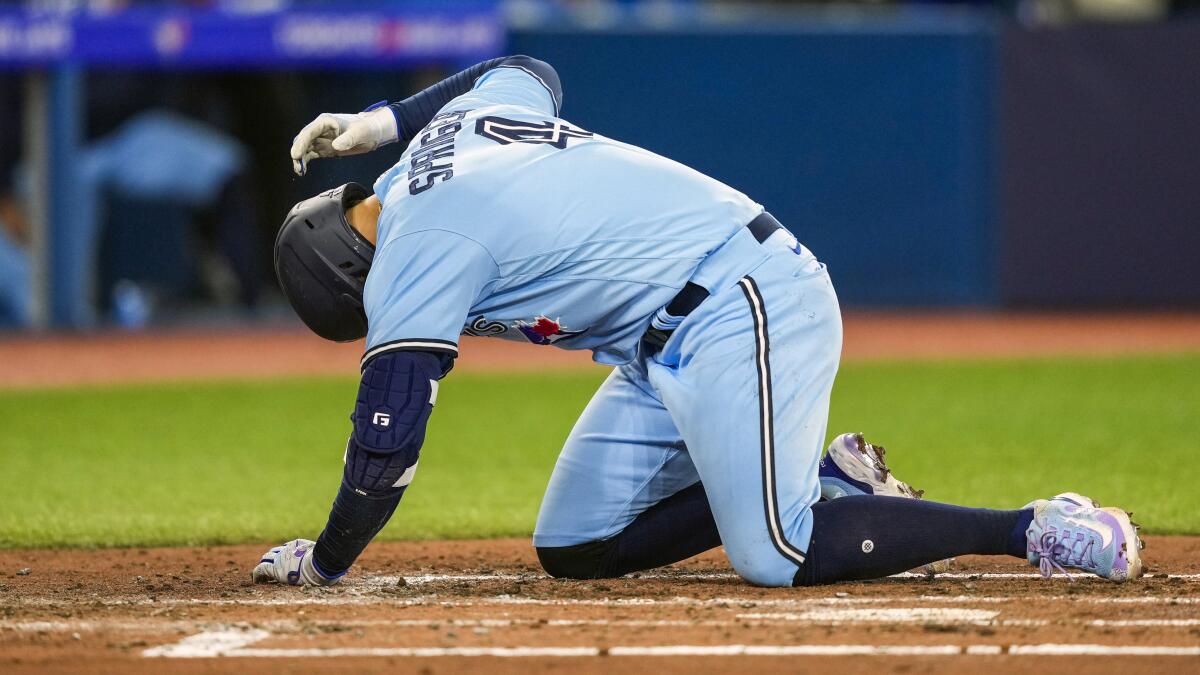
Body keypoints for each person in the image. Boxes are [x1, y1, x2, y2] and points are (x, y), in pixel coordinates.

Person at [253, 56, 1143, 588]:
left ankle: (1034, 527)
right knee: (578, 546)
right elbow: (523, 72)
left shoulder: (414, 250)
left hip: (744, 298)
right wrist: (380, 124)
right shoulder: (440, 145)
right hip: (663, 344)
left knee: (777, 555)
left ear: (350, 281)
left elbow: (387, 440)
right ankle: (828, 481)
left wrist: (326, 561)